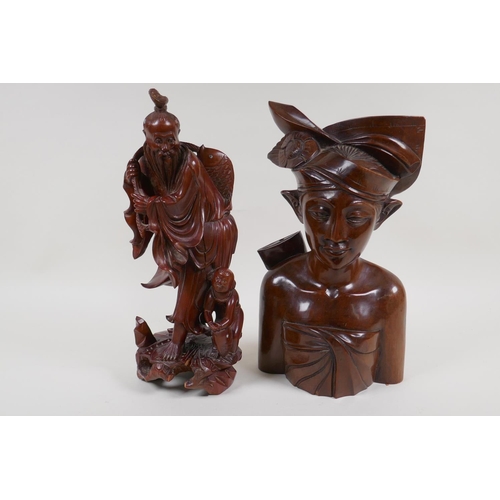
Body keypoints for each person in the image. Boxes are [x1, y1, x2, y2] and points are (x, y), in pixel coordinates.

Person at [259, 102, 425, 398]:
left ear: (383, 216)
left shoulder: (387, 295)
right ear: (297, 207)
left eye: (356, 217)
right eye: (320, 213)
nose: (336, 236)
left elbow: (390, 374)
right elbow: (269, 365)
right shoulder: (280, 287)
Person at [124, 89, 237, 360]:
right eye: (158, 140)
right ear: (146, 137)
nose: (165, 147)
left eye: (170, 139)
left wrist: (149, 204)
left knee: (196, 284)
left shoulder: (190, 163)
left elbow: (178, 202)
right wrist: (134, 182)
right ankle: (195, 331)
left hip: (210, 230)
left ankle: (180, 339)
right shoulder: (145, 161)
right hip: (188, 231)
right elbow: (143, 199)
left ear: (178, 134)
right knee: (194, 283)